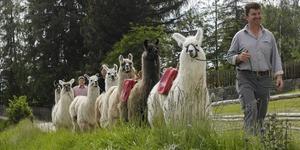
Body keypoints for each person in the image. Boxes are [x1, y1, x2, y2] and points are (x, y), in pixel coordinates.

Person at [226, 2, 284, 135]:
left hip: (264, 79)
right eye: (253, 14)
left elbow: (275, 57)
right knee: (251, 109)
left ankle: (259, 142)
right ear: (247, 17)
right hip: (245, 78)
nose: (257, 16)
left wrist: (279, 76)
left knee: (261, 115)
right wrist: (239, 57)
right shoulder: (239, 36)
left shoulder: (269, 36)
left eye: (259, 13)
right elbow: (229, 56)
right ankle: (250, 143)